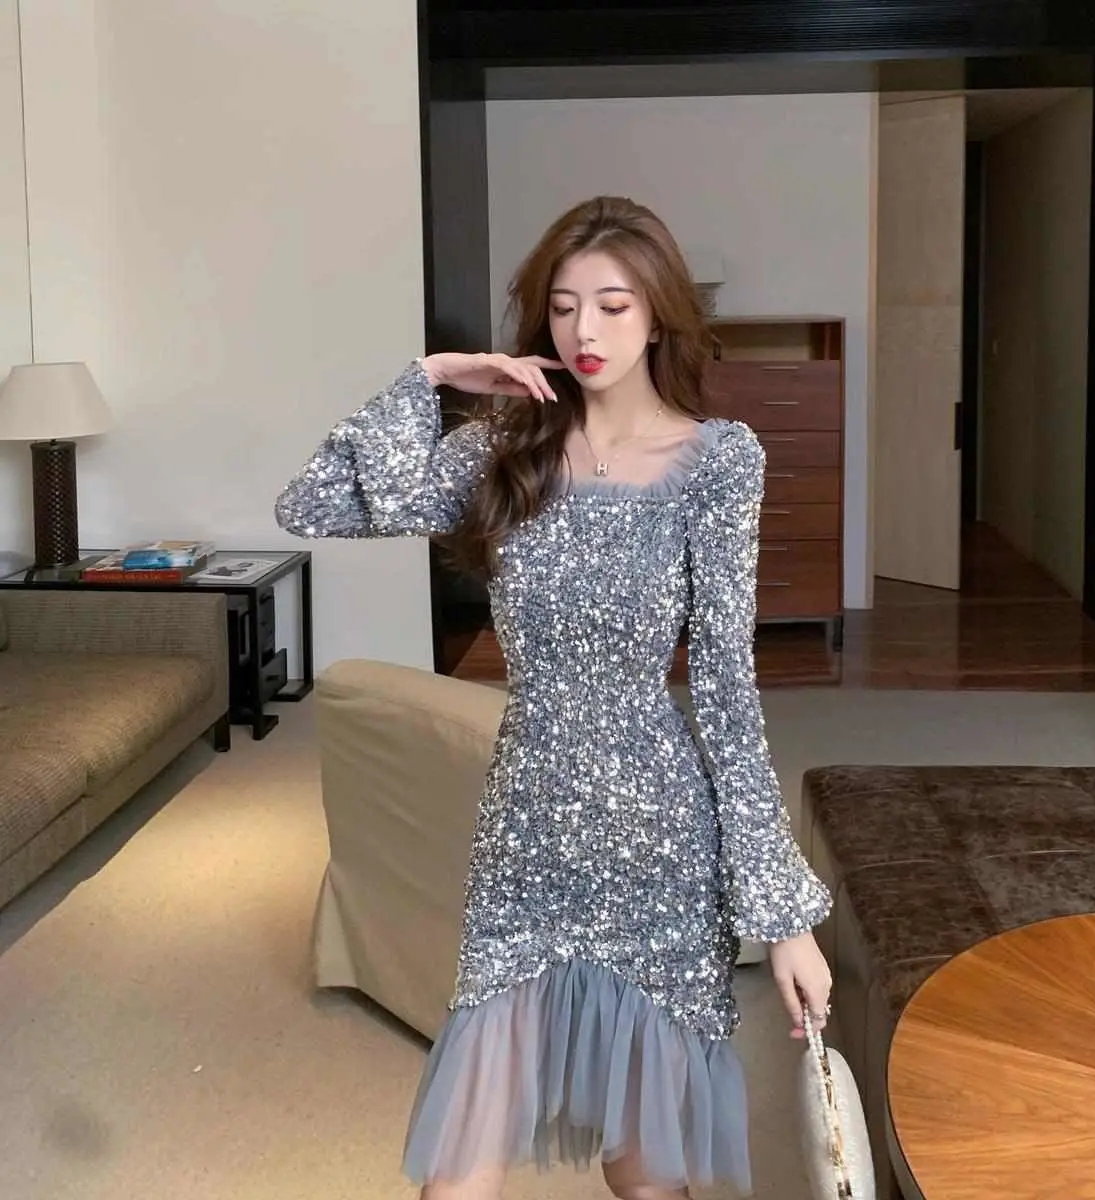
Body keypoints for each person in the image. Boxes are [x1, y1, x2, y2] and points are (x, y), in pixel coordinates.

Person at [274, 195, 834, 1200]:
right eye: (566, 306)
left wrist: (784, 916)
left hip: (660, 843)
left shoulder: (719, 461)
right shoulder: (506, 442)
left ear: (658, 316)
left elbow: (726, 692)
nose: (586, 331)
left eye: (614, 306)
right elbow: (311, 504)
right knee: (457, 1169)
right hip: (527, 832)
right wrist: (432, 377)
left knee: (643, 1173)